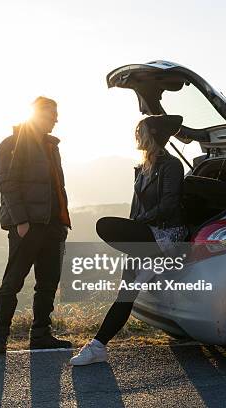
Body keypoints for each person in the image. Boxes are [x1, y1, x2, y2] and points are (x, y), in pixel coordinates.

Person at [70, 114, 188, 366]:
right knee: (126, 294)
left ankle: (157, 260)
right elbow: (136, 209)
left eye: (141, 131)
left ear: (153, 134)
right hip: (145, 237)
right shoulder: (142, 167)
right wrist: (133, 234)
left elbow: (168, 206)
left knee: (105, 225)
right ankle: (98, 347)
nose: (137, 135)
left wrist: (136, 226)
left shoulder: (172, 165)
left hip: (167, 235)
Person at [0, 96, 72, 354]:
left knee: (47, 282)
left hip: (53, 225)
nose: (56, 120)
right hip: (28, 226)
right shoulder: (11, 144)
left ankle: (41, 335)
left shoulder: (51, 146)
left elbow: (56, 185)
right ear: (37, 114)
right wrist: (21, 221)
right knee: (13, 281)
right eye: (51, 115)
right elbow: (8, 184)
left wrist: (61, 221)